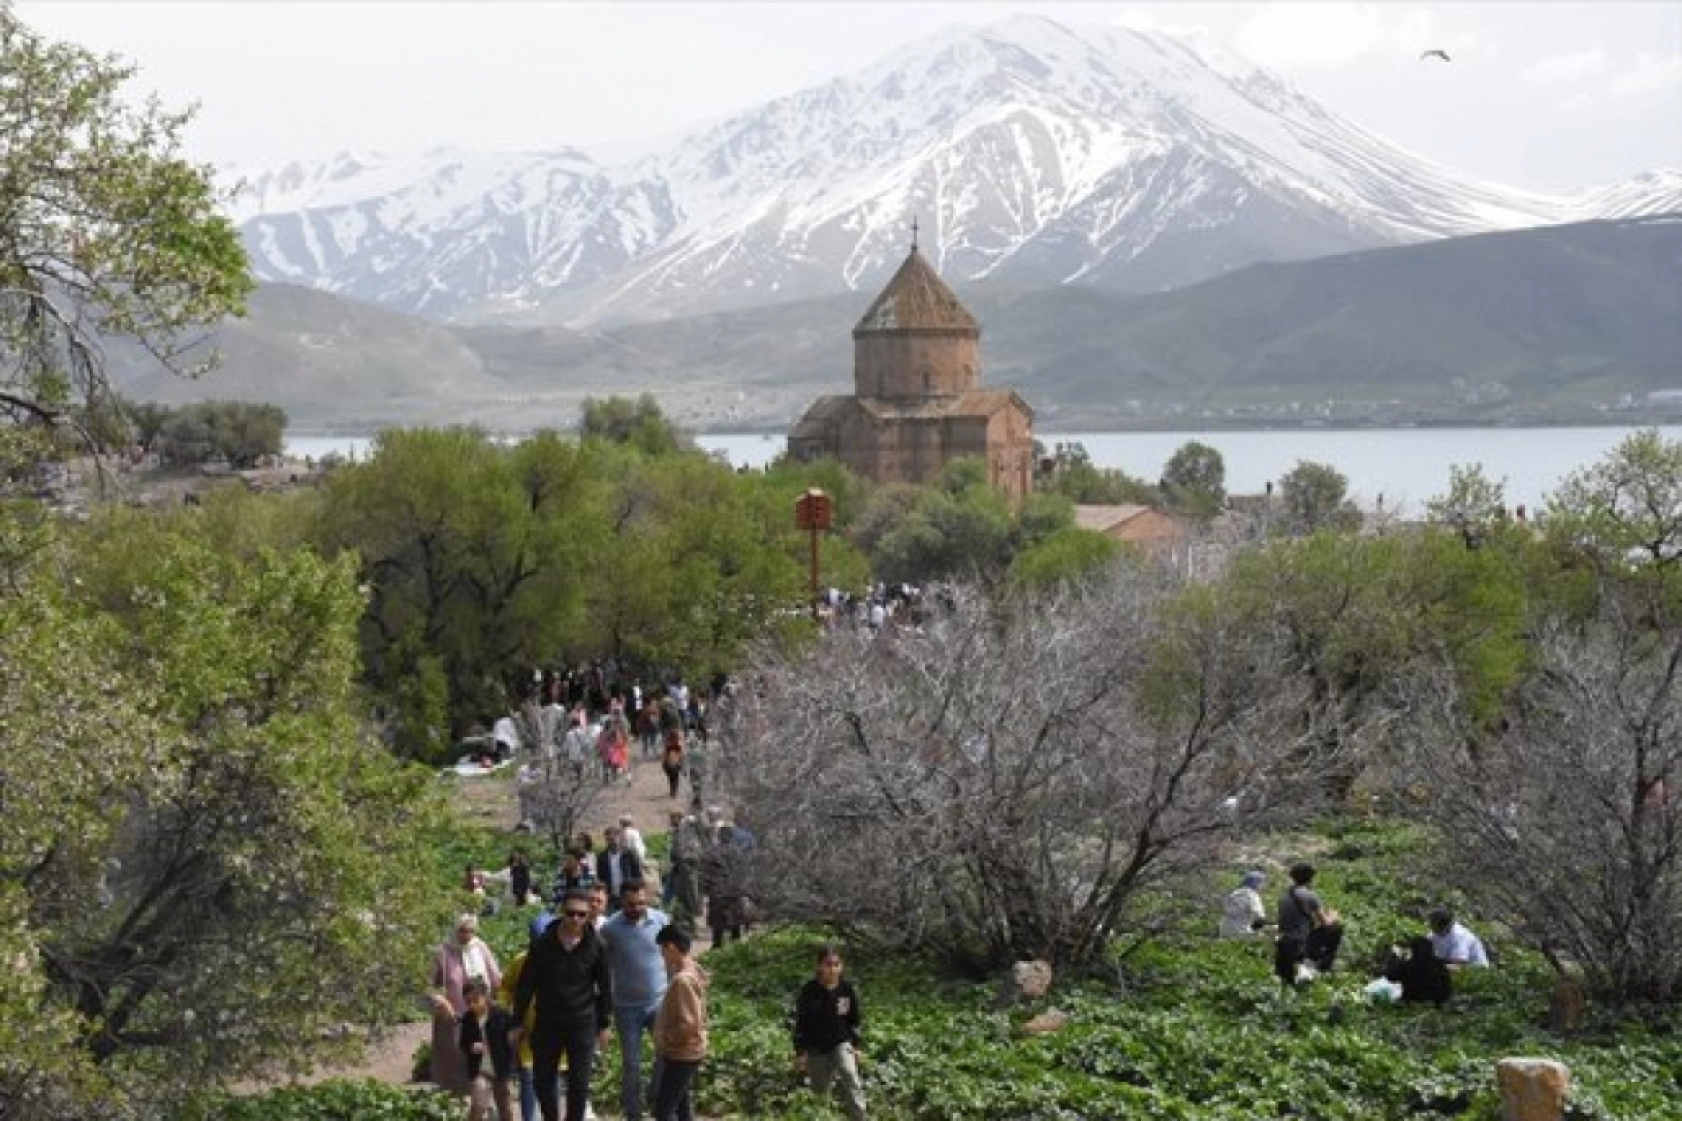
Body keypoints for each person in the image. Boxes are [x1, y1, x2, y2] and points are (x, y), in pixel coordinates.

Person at [513, 891, 615, 1121]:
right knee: (543, 1081)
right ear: (562, 913)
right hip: (548, 1022)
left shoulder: (597, 945)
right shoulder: (543, 944)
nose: (576, 919)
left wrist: (604, 1023)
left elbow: (605, 986)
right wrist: (517, 1021)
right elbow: (526, 985)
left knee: (579, 1084)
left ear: (588, 916)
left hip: (582, 1022)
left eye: (581, 914)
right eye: (571, 913)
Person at [599, 879, 671, 1121]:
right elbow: (601, 965)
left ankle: (656, 1099)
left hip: (658, 1001)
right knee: (632, 1062)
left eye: (641, 903)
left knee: (665, 1054)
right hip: (626, 1007)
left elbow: (672, 955)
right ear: (621, 902)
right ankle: (633, 1112)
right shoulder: (610, 929)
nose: (636, 908)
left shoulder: (660, 920)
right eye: (631, 904)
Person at [429, 914, 503, 1096]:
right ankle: (455, 1102)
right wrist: (442, 1002)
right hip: (453, 1018)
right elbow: (428, 985)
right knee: (455, 1064)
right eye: (463, 930)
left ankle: (481, 1103)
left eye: (471, 931)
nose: (467, 935)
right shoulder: (442, 952)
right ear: (455, 930)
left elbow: (496, 978)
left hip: (480, 1016)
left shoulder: (480, 947)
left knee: (481, 1062)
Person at [792, 944, 866, 1121]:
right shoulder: (810, 991)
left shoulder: (846, 990)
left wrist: (856, 1046)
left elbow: (853, 1020)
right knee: (820, 1091)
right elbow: (801, 1023)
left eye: (836, 964)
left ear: (842, 966)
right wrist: (800, 1052)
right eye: (828, 964)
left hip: (840, 1042)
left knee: (850, 1075)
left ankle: (859, 1116)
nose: (832, 969)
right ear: (819, 966)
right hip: (816, 1046)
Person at [651, 925, 709, 1121]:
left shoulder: (682, 980)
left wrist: (667, 1039)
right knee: (682, 1107)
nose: (662, 955)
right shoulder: (694, 969)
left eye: (662, 949)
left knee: (663, 1111)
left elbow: (689, 1023)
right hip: (687, 1051)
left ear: (671, 947)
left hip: (683, 1052)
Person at [1273, 863, 1343, 988]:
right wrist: (1334, 915)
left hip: (1283, 940)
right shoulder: (1310, 895)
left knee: (1286, 981)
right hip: (1300, 941)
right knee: (1336, 927)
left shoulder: (1284, 896)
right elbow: (1326, 923)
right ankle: (1322, 966)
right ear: (1310, 879)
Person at [459, 977, 518, 1121]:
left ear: (485, 996)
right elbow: (463, 1043)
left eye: (475, 1000)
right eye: (468, 1002)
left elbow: (514, 1032)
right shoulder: (467, 1019)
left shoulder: (501, 1014)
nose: (472, 1005)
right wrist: (471, 1046)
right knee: (479, 1105)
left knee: (506, 1110)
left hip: (501, 1069)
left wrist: (514, 1036)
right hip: (480, 1070)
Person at [1385, 935, 1454, 1005]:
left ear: (1414, 950)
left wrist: (1394, 956)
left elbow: (1390, 976)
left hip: (1415, 1003)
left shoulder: (1409, 966)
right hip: (1437, 1003)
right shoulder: (1439, 965)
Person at [596, 827, 645, 906]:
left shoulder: (628, 854)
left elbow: (637, 874)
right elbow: (600, 877)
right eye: (608, 839)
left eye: (613, 839)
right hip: (611, 896)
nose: (611, 842)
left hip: (628, 894)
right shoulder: (602, 857)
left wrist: (636, 890)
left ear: (619, 838)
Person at [1219, 871, 1268, 939]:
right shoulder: (1252, 894)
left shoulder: (1235, 893)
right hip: (1241, 932)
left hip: (1224, 930)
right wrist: (1260, 932)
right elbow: (1259, 916)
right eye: (1262, 882)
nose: (1264, 886)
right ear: (1256, 883)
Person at [661, 728, 685, 800]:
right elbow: (665, 755)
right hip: (669, 765)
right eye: (677, 737)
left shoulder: (678, 746)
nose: (677, 739)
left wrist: (681, 762)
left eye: (678, 737)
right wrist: (664, 763)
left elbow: (682, 755)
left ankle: (674, 791)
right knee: (672, 778)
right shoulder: (669, 746)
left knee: (675, 778)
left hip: (675, 764)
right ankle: (673, 790)